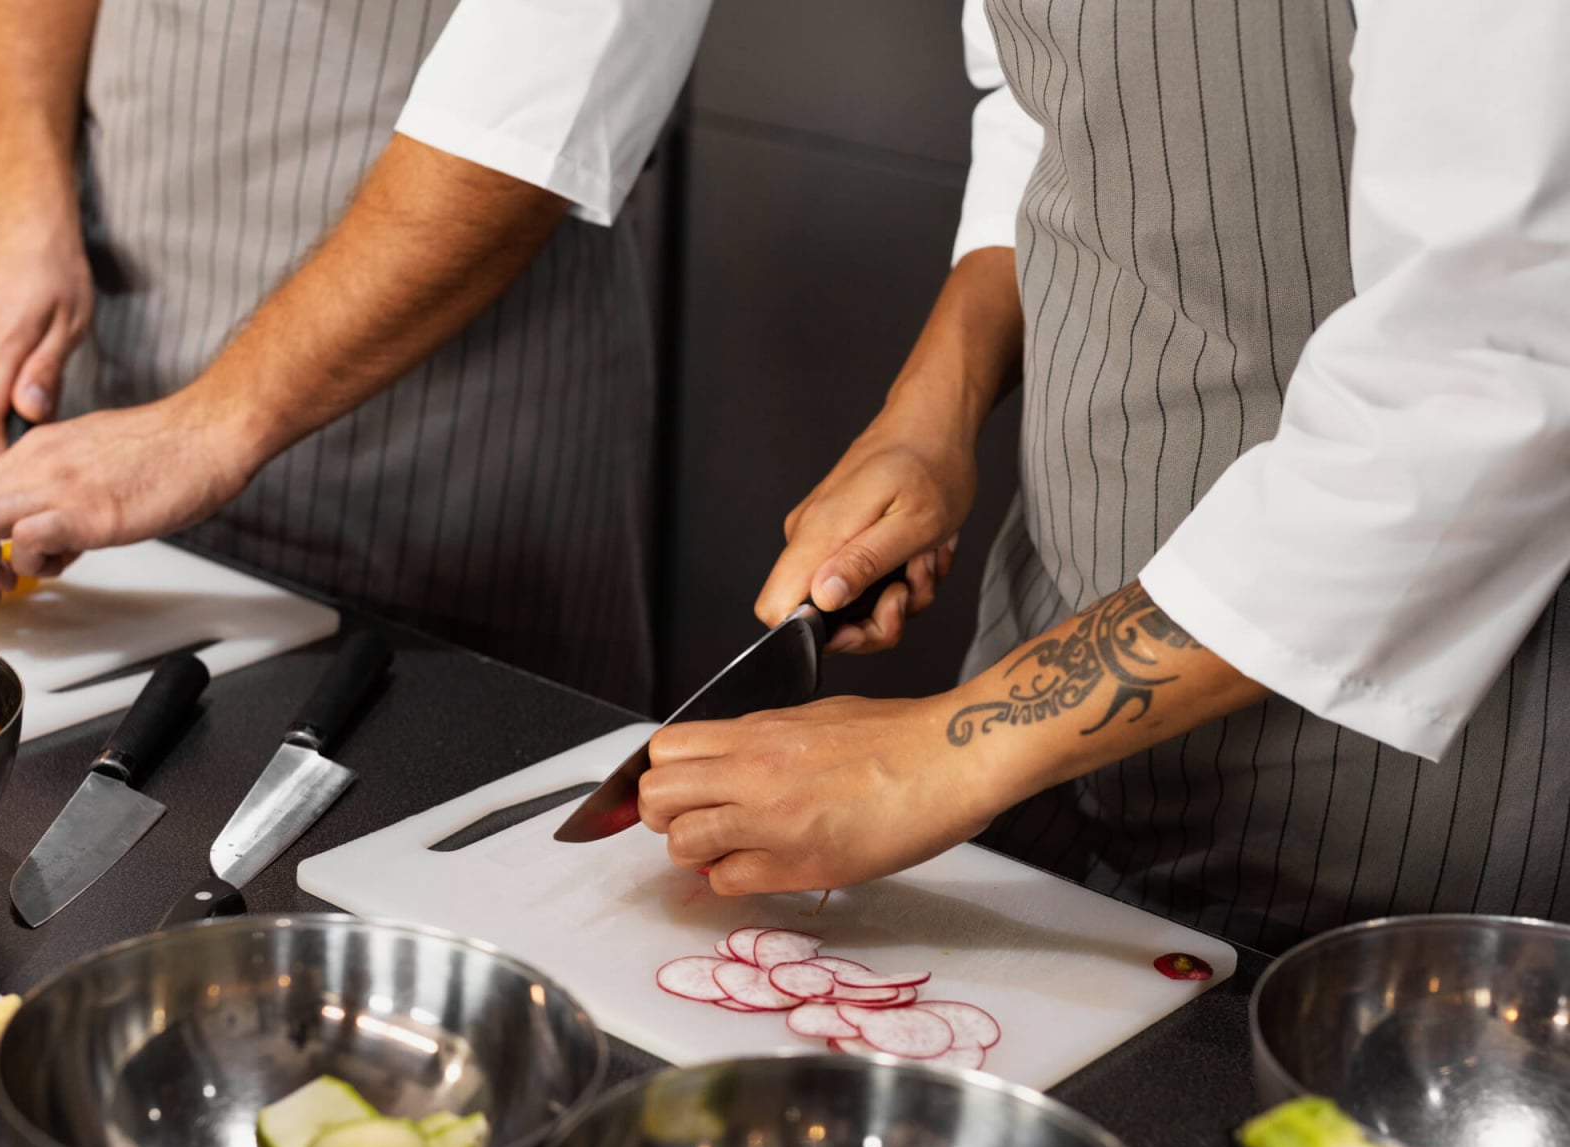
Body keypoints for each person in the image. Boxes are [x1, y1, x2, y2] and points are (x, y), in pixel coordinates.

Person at [637, 0, 1570, 952]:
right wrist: (928, 412)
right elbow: (1047, 106)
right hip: (1049, 619)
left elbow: (1475, 387)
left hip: (1381, 791)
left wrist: (941, 755)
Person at [0, 0, 711, 709]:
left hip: (445, 436)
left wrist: (209, 425)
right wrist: (18, 202)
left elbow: (551, 81)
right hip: (120, 356)